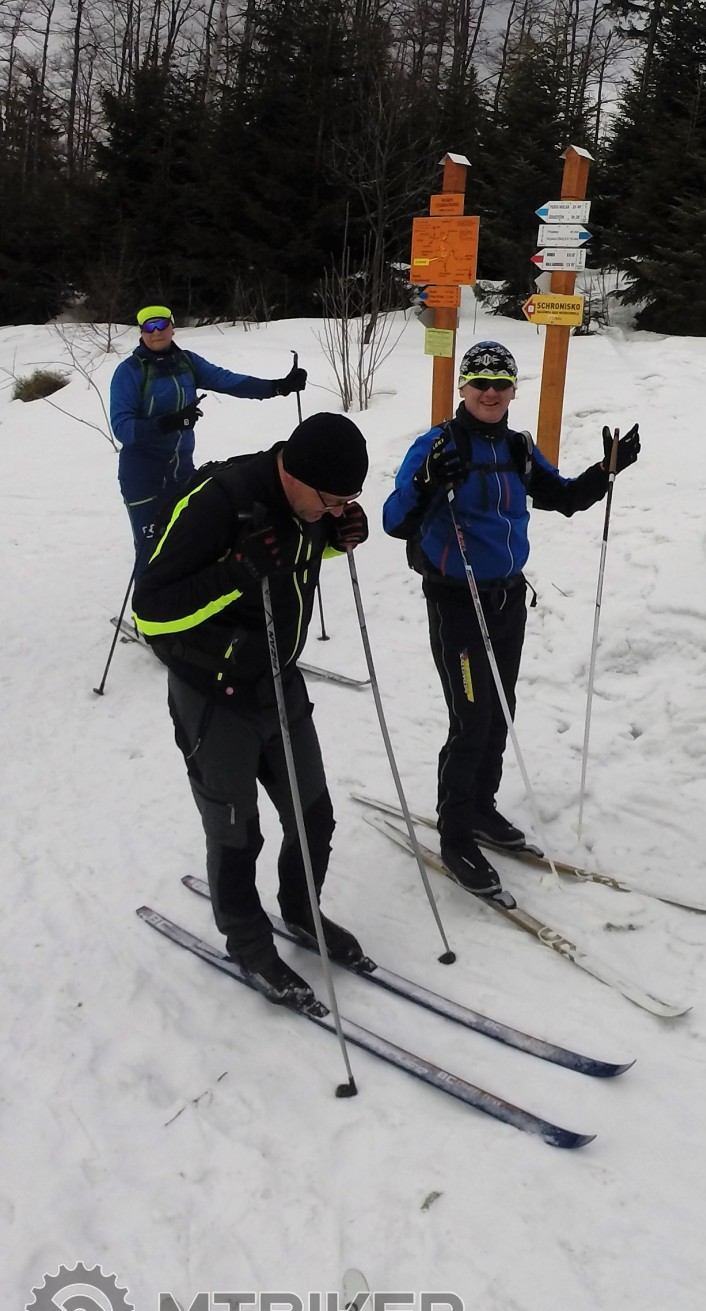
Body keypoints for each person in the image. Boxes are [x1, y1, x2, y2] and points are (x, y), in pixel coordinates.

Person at [132, 413, 374, 1008]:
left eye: (348, 501)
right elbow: (151, 613)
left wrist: (336, 535)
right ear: (296, 474)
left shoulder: (308, 506)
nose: (336, 508)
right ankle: (247, 943)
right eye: (334, 500)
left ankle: (300, 911)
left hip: (278, 681)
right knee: (237, 833)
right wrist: (235, 573)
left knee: (313, 816)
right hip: (213, 694)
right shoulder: (216, 502)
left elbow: (295, 552)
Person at [382, 341, 639, 898]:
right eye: (481, 382)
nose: (491, 392)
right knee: (471, 718)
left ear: (513, 390)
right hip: (457, 602)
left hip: (506, 599)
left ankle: (480, 806)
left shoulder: (518, 447)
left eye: (501, 383)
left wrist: (606, 470)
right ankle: (455, 835)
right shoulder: (437, 445)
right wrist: (428, 481)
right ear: (463, 387)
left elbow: (562, 496)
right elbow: (393, 520)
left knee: (501, 710)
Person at [110, 304, 305, 574]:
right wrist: (170, 422)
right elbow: (122, 428)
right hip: (143, 479)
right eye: (148, 326)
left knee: (187, 542)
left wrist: (277, 387)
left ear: (172, 327)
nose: (156, 332)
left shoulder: (187, 363)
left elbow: (229, 381)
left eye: (161, 324)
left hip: (182, 475)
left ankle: (183, 595)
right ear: (141, 332)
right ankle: (145, 599)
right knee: (151, 550)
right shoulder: (130, 372)